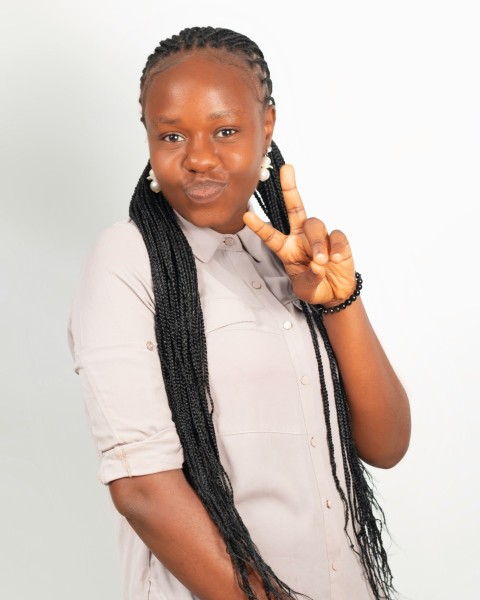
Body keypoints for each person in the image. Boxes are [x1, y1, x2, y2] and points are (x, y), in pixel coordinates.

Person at [67, 26, 410, 600]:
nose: (199, 158)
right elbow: (142, 489)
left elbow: (386, 445)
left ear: (267, 124)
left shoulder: (288, 256)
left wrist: (340, 303)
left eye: (226, 130)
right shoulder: (127, 261)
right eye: (171, 135)